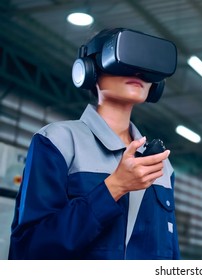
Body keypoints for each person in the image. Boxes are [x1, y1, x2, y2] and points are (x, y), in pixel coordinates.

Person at [8, 28, 180, 259]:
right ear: (88, 70)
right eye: (124, 59)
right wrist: (114, 187)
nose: (138, 71)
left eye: (146, 66)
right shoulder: (59, 141)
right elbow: (30, 247)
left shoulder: (161, 165)